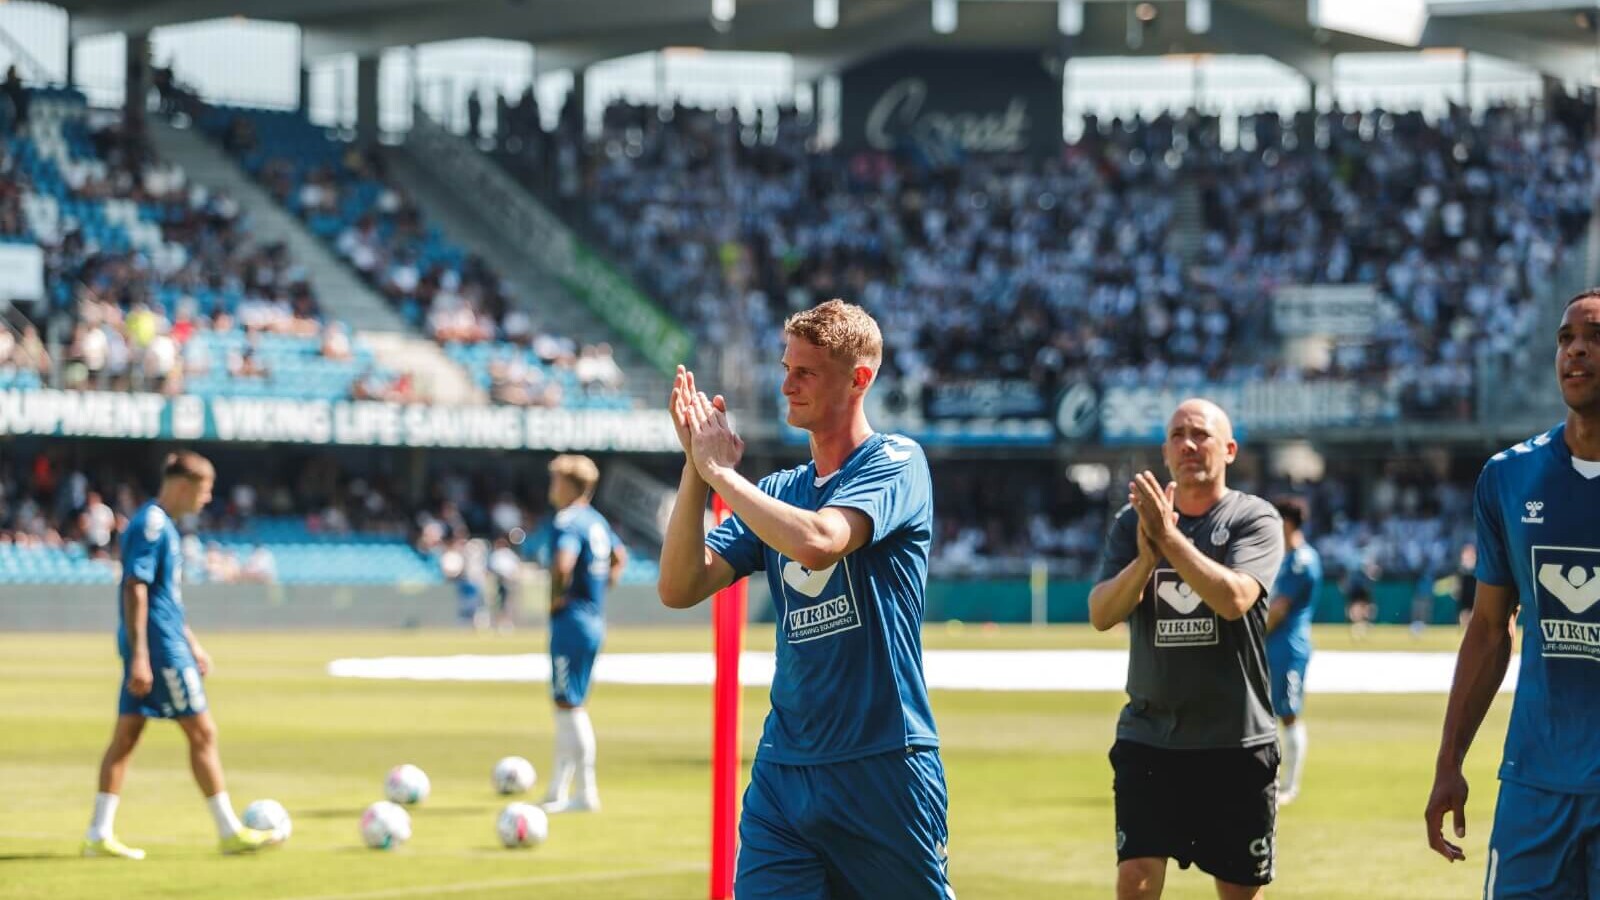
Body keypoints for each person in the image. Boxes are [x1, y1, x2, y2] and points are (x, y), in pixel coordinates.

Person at [658, 299, 952, 899]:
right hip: (784, 771)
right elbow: (680, 586)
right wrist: (696, 466)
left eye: (805, 372)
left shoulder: (896, 462)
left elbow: (821, 542)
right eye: (785, 367)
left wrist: (723, 476)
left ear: (859, 379)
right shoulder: (778, 489)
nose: (786, 384)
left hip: (883, 762)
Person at [1426, 289, 1600, 895]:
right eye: (1565, 339)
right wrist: (1450, 760)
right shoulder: (1508, 477)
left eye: (1595, 337)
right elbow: (1489, 629)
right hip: (1534, 784)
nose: (1576, 350)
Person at [1088, 398, 1286, 900]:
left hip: (1235, 740)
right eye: (1177, 435)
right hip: (1151, 736)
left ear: (1230, 449)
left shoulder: (1254, 518)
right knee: (1134, 879)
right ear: (1165, 450)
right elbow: (1101, 613)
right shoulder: (1132, 525)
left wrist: (1168, 539)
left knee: (1239, 892)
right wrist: (1145, 557)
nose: (1188, 445)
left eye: (1201, 434)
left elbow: (1234, 598)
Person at [83, 452, 278, 859]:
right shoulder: (152, 525)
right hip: (157, 648)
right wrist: (141, 656)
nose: (207, 498)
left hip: (164, 641)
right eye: (205, 489)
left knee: (127, 737)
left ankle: (99, 835)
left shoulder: (162, 525)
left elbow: (161, 596)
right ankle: (229, 831)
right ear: (184, 485)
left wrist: (192, 642)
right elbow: (134, 588)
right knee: (203, 733)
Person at [540, 454, 626, 814]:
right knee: (571, 702)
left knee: (568, 704)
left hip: (572, 621)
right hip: (593, 619)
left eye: (556, 480)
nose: (552, 487)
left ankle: (585, 792)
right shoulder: (597, 521)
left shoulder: (567, 521)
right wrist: (603, 588)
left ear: (568, 485)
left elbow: (563, 563)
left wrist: (557, 597)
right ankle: (558, 789)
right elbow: (620, 557)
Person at [1265, 496, 1322, 807]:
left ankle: (1289, 786)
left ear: (1287, 522)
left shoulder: (1301, 560)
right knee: (1268, 714)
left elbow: (1278, 610)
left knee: (1288, 712)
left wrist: (1251, 635)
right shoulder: (1283, 557)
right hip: (1274, 643)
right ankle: (1273, 781)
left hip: (1288, 646)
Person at [1453, 543, 1477, 628]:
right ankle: (1464, 626)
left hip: (1473, 591)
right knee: (1464, 611)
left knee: (1472, 610)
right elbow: (1458, 581)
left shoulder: (1476, 566)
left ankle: (1470, 626)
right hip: (1465, 592)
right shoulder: (1461, 568)